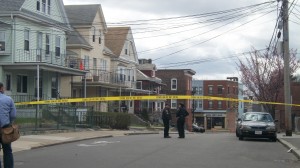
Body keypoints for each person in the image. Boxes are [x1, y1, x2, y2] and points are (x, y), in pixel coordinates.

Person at [0, 82, 16, 168]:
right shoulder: (8, 99)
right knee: (7, 151)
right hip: (6, 128)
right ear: (1, 88)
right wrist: (8, 121)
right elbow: (13, 115)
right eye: (3, 88)